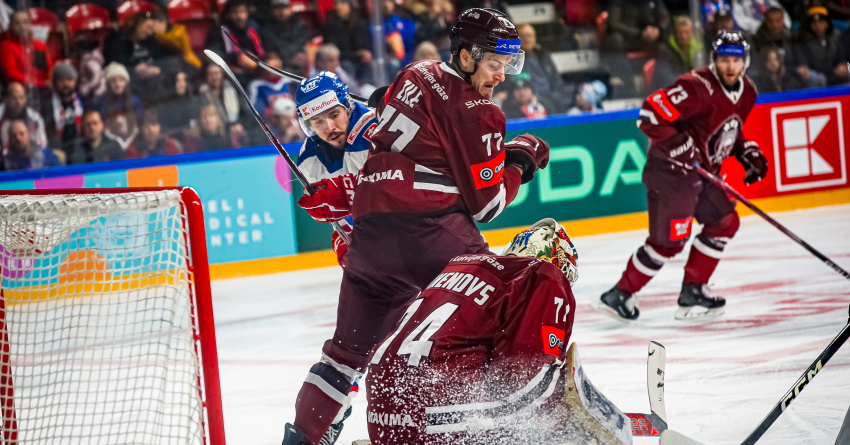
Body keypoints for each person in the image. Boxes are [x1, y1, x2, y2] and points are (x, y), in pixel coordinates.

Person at [283, 8, 549, 445]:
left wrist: (345, 199)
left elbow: (388, 163)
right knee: (502, 307)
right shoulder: (481, 113)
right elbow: (487, 206)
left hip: (370, 244)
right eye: (495, 64)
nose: (502, 76)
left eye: (507, 65)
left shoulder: (414, 72)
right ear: (466, 57)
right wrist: (518, 160)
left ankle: (303, 438)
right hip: (433, 235)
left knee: (343, 357)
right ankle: (505, 422)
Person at [594, 31, 767, 322]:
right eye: (724, 59)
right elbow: (649, 114)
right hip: (671, 175)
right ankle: (619, 295)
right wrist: (679, 145)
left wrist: (745, 150)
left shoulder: (748, 91)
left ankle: (694, 291)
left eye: (736, 60)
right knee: (668, 242)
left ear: (745, 62)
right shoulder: (696, 87)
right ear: (714, 59)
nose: (729, 66)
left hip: (704, 175)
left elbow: (728, 129)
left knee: (724, 221)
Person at [365, 218, 578, 445]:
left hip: (382, 420)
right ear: (558, 261)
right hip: (437, 423)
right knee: (556, 431)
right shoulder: (542, 275)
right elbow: (525, 376)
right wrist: (561, 412)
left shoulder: (458, 265)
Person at [293, 71, 376, 267]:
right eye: (317, 121)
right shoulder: (309, 159)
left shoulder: (377, 131)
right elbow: (344, 220)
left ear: (347, 107)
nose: (329, 127)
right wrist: (346, 237)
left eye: (334, 114)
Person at [102, 10, 183, 104]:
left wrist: (159, 70)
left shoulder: (152, 41)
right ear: (137, 23)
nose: (150, 32)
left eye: (153, 29)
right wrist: (135, 70)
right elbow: (113, 68)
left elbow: (170, 59)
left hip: (155, 87)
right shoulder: (118, 41)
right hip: (130, 88)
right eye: (148, 27)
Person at [205, 0, 266, 83]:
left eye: (242, 11)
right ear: (228, 14)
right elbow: (214, 53)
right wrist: (237, 57)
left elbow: (268, 48)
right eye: (234, 12)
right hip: (233, 77)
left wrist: (261, 59)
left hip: (258, 72)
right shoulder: (220, 32)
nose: (239, 16)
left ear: (247, 13)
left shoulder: (255, 28)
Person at [515, 23, 568, 113]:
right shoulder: (512, 59)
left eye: (529, 36)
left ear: (534, 38)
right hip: (531, 100)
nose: (527, 39)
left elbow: (556, 79)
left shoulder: (543, 55)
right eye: (523, 36)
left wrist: (557, 94)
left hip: (552, 96)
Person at [792, 7, 849, 87]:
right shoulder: (802, 39)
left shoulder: (836, 36)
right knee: (812, 76)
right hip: (818, 75)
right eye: (814, 23)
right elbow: (808, 64)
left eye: (821, 22)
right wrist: (832, 70)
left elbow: (841, 58)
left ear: (827, 23)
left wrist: (842, 67)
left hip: (836, 73)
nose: (818, 26)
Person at [321, 0, 373, 85]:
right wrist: (356, 54)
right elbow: (334, 52)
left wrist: (366, 52)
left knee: (369, 64)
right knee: (347, 65)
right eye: (337, 4)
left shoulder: (358, 23)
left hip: (357, 59)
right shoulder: (330, 25)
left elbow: (365, 43)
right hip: (342, 60)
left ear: (350, 6)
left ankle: (367, 90)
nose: (339, 7)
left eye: (343, 4)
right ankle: (353, 92)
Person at [95, 62, 143, 149]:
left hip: (134, 146)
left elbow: (140, 123)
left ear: (126, 82)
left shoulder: (135, 101)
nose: (118, 84)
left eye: (121, 80)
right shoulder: (101, 102)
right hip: (109, 146)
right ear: (108, 83)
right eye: (113, 80)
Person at [41, 63, 84, 159]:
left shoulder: (82, 101)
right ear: (54, 83)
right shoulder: (46, 104)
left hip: (79, 149)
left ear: (75, 81)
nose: (66, 83)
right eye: (61, 80)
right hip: (55, 150)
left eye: (69, 79)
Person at [199, 63, 249, 145]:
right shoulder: (203, 93)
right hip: (217, 131)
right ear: (206, 77)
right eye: (211, 74)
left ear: (221, 75)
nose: (214, 77)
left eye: (217, 73)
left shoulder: (231, 89)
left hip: (235, 126)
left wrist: (239, 124)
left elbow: (243, 111)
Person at [0, 11, 52, 88]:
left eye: (25, 22)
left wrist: (50, 80)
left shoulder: (39, 45)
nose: (22, 26)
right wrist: (41, 83)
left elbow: (49, 68)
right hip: (20, 91)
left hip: (42, 89)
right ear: (10, 26)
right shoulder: (6, 46)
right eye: (17, 23)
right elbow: (11, 74)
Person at [654, 16, 704, 89]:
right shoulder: (665, 50)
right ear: (674, 34)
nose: (683, 36)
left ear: (692, 33)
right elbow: (664, 76)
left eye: (686, 32)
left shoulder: (698, 49)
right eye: (680, 33)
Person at [261, 0, 310, 70]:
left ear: (290, 9)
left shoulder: (299, 24)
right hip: (280, 67)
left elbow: (300, 45)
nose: (281, 11)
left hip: (300, 64)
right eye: (277, 8)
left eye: (284, 7)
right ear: (272, 10)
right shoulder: (267, 28)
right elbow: (272, 50)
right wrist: (290, 59)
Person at [156, 71, 201, 143]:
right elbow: (164, 129)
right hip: (172, 142)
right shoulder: (164, 104)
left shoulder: (194, 101)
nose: (181, 84)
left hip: (193, 141)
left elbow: (196, 122)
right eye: (178, 81)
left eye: (184, 80)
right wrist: (183, 132)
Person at [247, 52, 294, 120]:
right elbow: (254, 110)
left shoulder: (289, 82)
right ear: (264, 69)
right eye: (274, 68)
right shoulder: (257, 86)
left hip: (292, 121)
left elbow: (298, 103)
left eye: (278, 67)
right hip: (271, 125)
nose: (277, 70)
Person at [0, 82, 47, 150]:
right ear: (7, 99)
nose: (18, 101)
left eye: (21, 97)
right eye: (14, 98)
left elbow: (42, 144)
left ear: (25, 99)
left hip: (27, 156)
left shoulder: (35, 118)